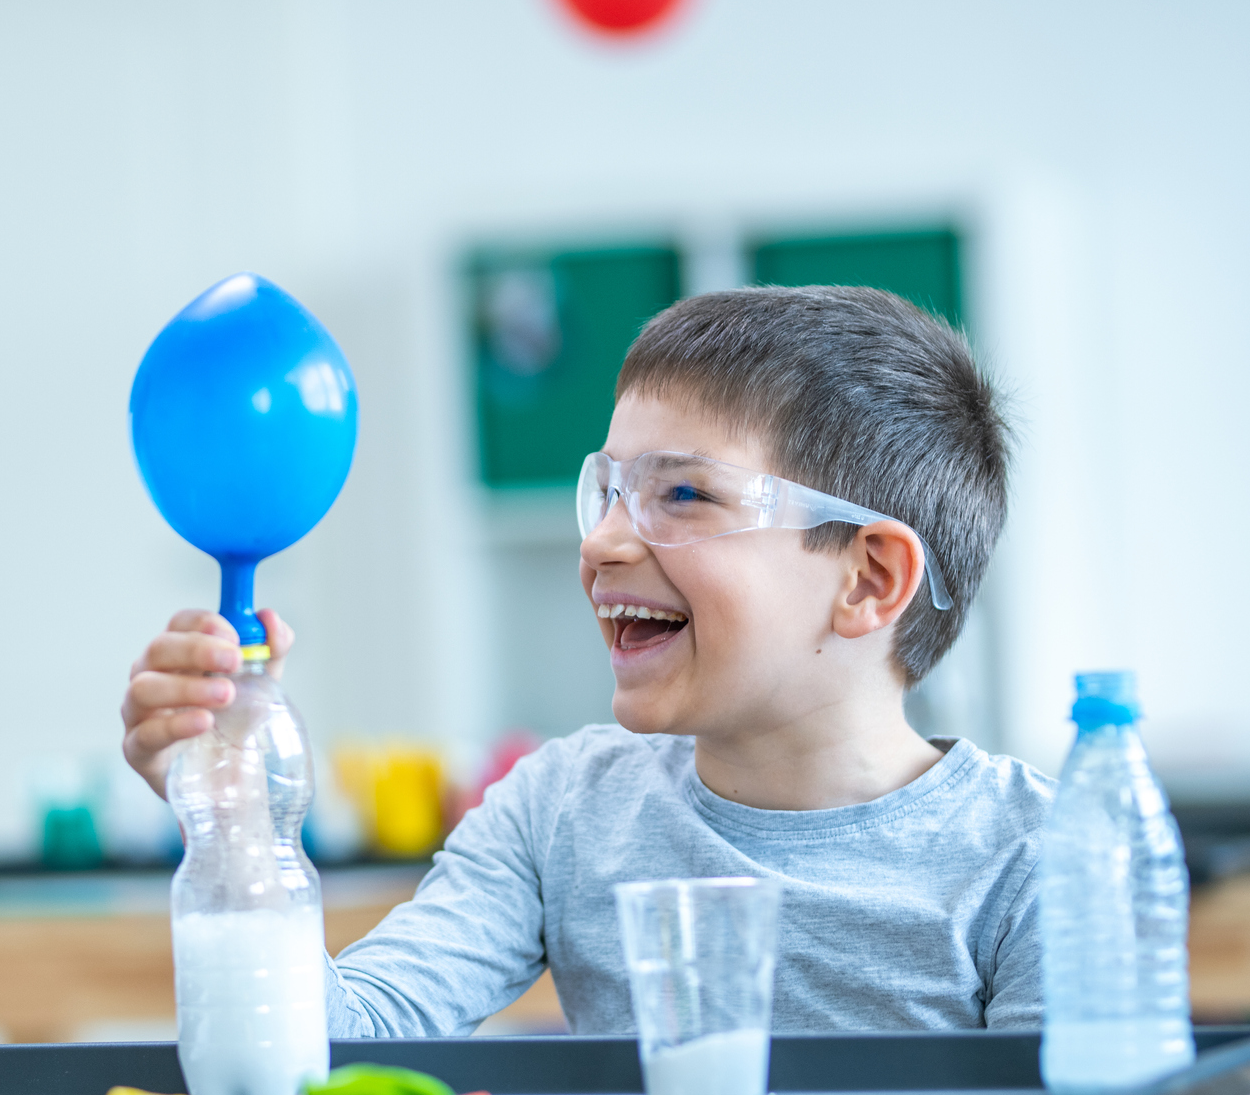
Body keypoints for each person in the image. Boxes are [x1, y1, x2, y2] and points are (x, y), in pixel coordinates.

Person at [121, 286, 1049, 1035]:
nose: (603, 542)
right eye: (605, 491)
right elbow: (330, 1045)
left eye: (681, 492)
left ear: (868, 579)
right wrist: (235, 823)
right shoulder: (562, 811)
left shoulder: (1036, 857)